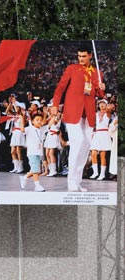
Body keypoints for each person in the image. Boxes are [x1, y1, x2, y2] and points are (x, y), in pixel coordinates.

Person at [50, 45, 105, 192]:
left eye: (84, 56)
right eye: (79, 56)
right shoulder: (72, 69)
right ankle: (71, 181)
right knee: (78, 141)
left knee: (85, 147)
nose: (81, 59)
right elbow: (60, 87)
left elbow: (99, 96)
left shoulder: (97, 73)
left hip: (89, 115)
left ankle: (77, 180)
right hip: (72, 112)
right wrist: (55, 104)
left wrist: (102, 89)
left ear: (90, 56)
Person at [19, 113, 46, 192]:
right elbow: (22, 130)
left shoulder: (42, 129)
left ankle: (24, 177)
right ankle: (37, 185)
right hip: (32, 152)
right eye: (37, 120)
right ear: (32, 121)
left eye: (40, 120)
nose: (39, 121)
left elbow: (50, 125)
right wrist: (21, 119)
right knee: (36, 170)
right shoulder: (29, 128)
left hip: (39, 152)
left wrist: (53, 117)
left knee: (36, 170)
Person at [89, 99, 112, 181]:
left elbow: (109, 109)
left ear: (106, 105)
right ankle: (95, 172)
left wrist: (109, 104)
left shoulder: (108, 113)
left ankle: (102, 174)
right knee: (94, 153)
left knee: (103, 155)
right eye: (100, 104)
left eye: (103, 103)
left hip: (104, 134)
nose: (101, 105)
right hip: (97, 134)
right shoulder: (96, 114)